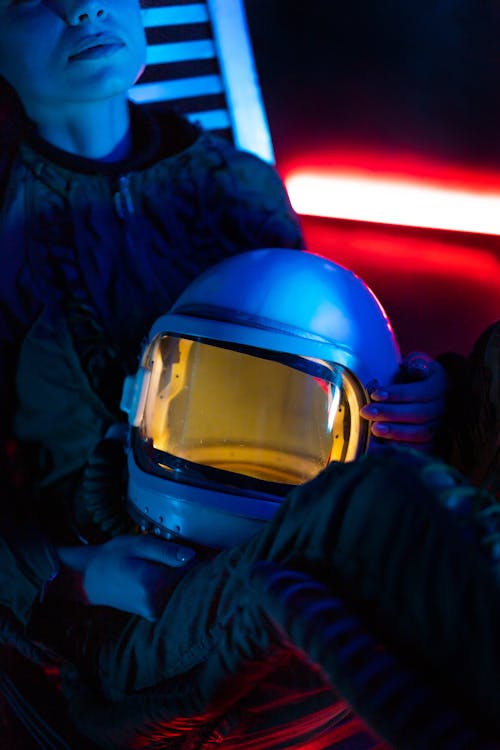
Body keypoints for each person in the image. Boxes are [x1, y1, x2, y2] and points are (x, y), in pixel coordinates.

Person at [0, 1, 497, 748]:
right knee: (370, 514)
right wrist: (71, 572)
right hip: (135, 603)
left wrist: (428, 396)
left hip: (295, 496)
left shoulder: (238, 184)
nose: (85, 7)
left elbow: (325, 358)